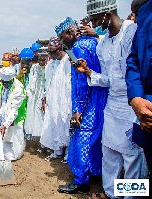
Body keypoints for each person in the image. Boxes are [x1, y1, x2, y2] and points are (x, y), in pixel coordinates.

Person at [73, 1, 148, 198]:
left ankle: (132, 196)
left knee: (133, 157)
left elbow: (140, 72)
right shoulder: (103, 44)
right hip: (112, 106)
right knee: (109, 154)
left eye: (97, 20)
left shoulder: (133, 31)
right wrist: (89, 73)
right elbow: (107, 80)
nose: (94, 24)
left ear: (108, 14)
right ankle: (111, 193)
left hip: (133, 104)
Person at [55, 17, 108, 194]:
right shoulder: (93, 41)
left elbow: (82, 82)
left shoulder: (78, 48)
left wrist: (78, 109)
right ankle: (96, 177)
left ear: (70, 33)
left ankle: (82, 181)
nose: (62, 44)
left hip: (89, 103)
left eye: (62, 39)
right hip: (101, 99)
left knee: (81, 141)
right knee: (95, 141)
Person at [126, 0, 152, 183]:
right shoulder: (146, 13)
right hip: (140, 109)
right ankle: (116, 193)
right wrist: (135, 98)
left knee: (132, 159)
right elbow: (133, 59)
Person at [40, 37, 71, 163]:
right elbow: (48, 84)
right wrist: (45, 99)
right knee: (54, 122)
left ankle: (68, 153)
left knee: (66, 122)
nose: (51, 55)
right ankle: (57, 151)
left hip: (65, 99)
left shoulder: (68, 61)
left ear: (61, 48)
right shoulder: (50, 65)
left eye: (53, 51)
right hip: (53, 100)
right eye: (49, 52)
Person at [0, 67, 26, 160]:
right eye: (4, 82)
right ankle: (0, 154)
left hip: (15, 114)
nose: (5, 85)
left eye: (8, 83)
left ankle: (12, 155)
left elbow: (15, 110)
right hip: (2, 111)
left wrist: (6, 124)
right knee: (0, 133)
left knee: (12, 132)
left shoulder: (18, 87)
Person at [24, 46, 47, 148]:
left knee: (43, 118)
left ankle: (45, 143)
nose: (42, 61)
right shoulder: (34, 68)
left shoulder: (49, 67)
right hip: (34, 95)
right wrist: (28, 93)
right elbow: (31, 82)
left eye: (44, 59)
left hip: (45, 96)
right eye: (40, 59)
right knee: (34, 117)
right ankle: (36, 143)